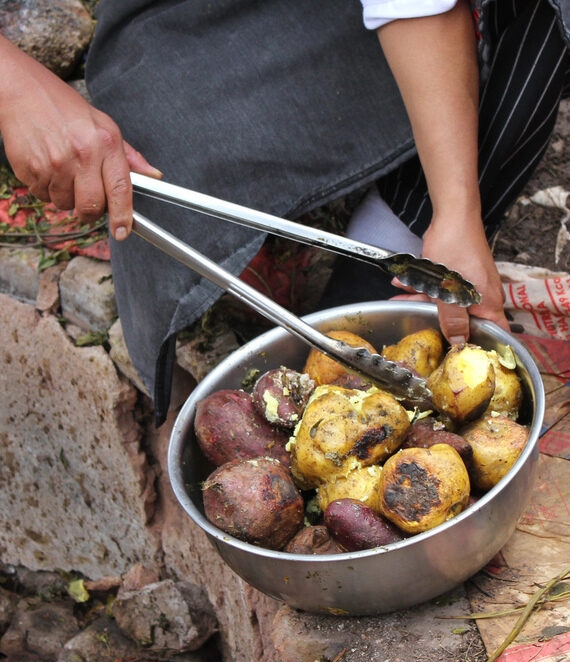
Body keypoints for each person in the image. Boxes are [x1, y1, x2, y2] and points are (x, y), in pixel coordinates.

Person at [0, 0, 568, 423]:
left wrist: (456, 212)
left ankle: (383, 249)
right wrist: (16, 87)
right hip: (189, 23)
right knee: (161, 151)